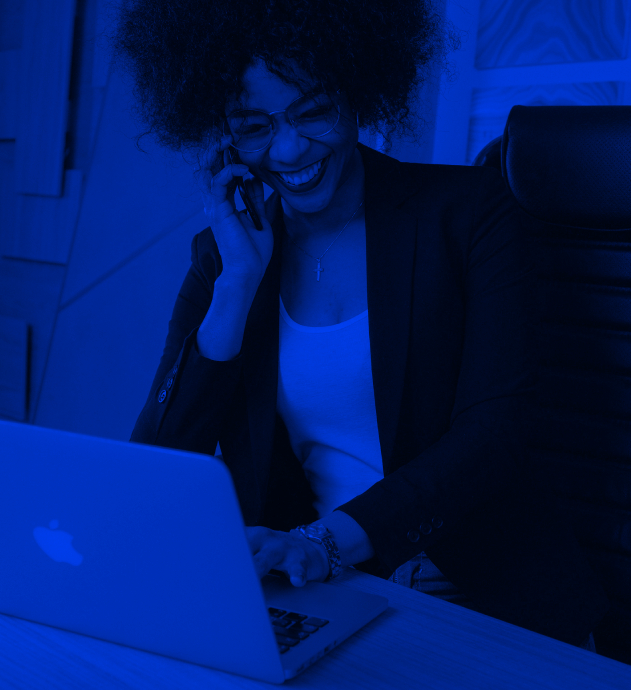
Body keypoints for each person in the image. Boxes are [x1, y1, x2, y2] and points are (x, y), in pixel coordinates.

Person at [110, 0, 608, 653]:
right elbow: (161, 459)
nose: (288, 150)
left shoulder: (467, 215)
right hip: (318, 593)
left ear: (357, 86)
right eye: (254, 127)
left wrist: (326, 543)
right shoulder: (226, 253)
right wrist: (235, 286)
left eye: (312, 112)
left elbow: (495, 433)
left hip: (477, 589)